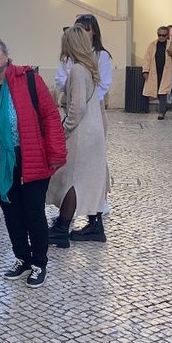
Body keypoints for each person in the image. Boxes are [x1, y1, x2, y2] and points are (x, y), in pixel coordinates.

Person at [0, 37, 66, 288]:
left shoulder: (27, 79)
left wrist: (55, 153)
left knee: (33, 213)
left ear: (6, 54)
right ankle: (22, 258)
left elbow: (49, 115)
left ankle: (39, 263)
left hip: (29, 156)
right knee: (11, 212)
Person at [48, 26, 108, 247]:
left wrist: (65, 130)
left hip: (81, 132)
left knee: (71, 180)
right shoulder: (89, 68)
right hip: (94, 130)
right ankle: (94, 226)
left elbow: (77, 108)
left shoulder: (77, 70)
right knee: (87, 178)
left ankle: (62, 229)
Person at [55, 13, 113, 213]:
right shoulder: (75, 63)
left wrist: (66, 127)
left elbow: (101, 87)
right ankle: (92, 218)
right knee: (82, 166)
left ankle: (91, 211)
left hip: (89, 114)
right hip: (81, 112)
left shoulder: (95, 59)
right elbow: (60, 80)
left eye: (86, 28)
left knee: (82, 167)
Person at [142, 26, 172, 120]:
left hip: (167, 72)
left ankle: (161, 112)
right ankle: (163, 108)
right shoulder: (152, 44)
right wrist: (145, 70)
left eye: (163, 35)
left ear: (167, 35)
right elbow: (147, 58)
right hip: (154, 72)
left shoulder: (171, 44)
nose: (161, 37)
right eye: (159, 35)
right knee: (158, 90)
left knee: (163, 92)